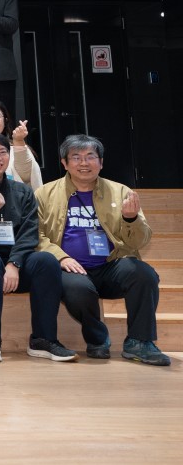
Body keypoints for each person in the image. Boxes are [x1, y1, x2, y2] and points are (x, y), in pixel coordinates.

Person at [36, 134, 169, 366]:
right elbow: (35, 235)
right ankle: (97, 339)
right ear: (64, 163)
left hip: (111, 265)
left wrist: (131, 219)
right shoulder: (44, 194)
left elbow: (141, 240)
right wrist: (61, 257)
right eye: (76, 157)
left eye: (90, 156)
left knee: (144, 274)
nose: (84, 163)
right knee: (78, 289)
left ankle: (139, 342)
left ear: (101, 162)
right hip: (70, 268)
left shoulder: (121, 192)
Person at [0, 132, 77, 363]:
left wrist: (14, 263)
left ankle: (43, 339)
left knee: (46, 261)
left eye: (3, 152)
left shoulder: (23, 191)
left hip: (14, 261)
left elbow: (29, 233)